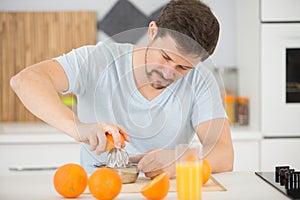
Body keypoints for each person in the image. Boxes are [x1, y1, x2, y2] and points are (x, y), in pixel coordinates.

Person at [10, 0, 234, 178]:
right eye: (164, 57)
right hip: (98, 191)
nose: (168, 73)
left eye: (183, 67)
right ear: (153, 32)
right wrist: (79, 128)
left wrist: (179, 161)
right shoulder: (98, 59)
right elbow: (26, 81)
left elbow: (224, 154)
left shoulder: (200, 80)